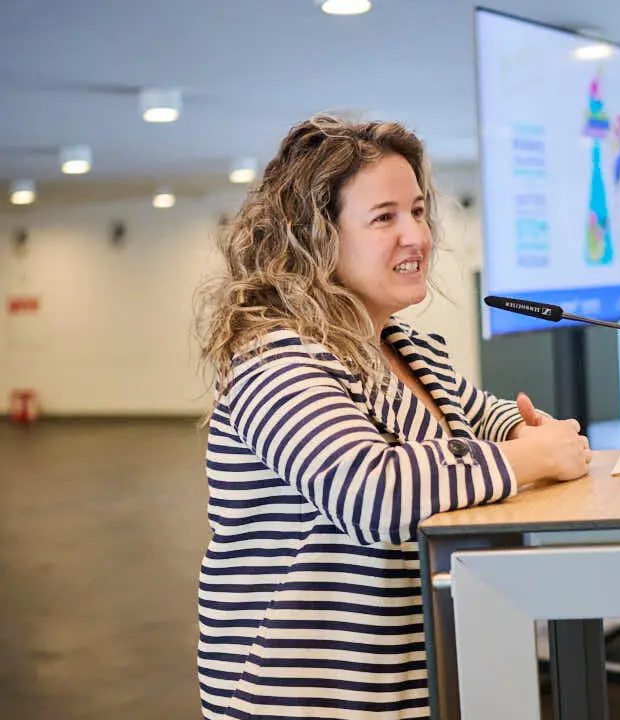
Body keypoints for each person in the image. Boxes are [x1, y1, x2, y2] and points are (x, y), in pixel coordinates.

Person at [194, 114, 591, 720]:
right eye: (384, 217)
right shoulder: (274, 359)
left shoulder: (407, 348)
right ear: (315, 237)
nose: (417, 235)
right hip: (307, 698)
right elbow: (372, 493)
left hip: (403, 686)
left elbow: (478, 420)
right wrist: (534, 455)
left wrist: (521, 431)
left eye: (418, 210)